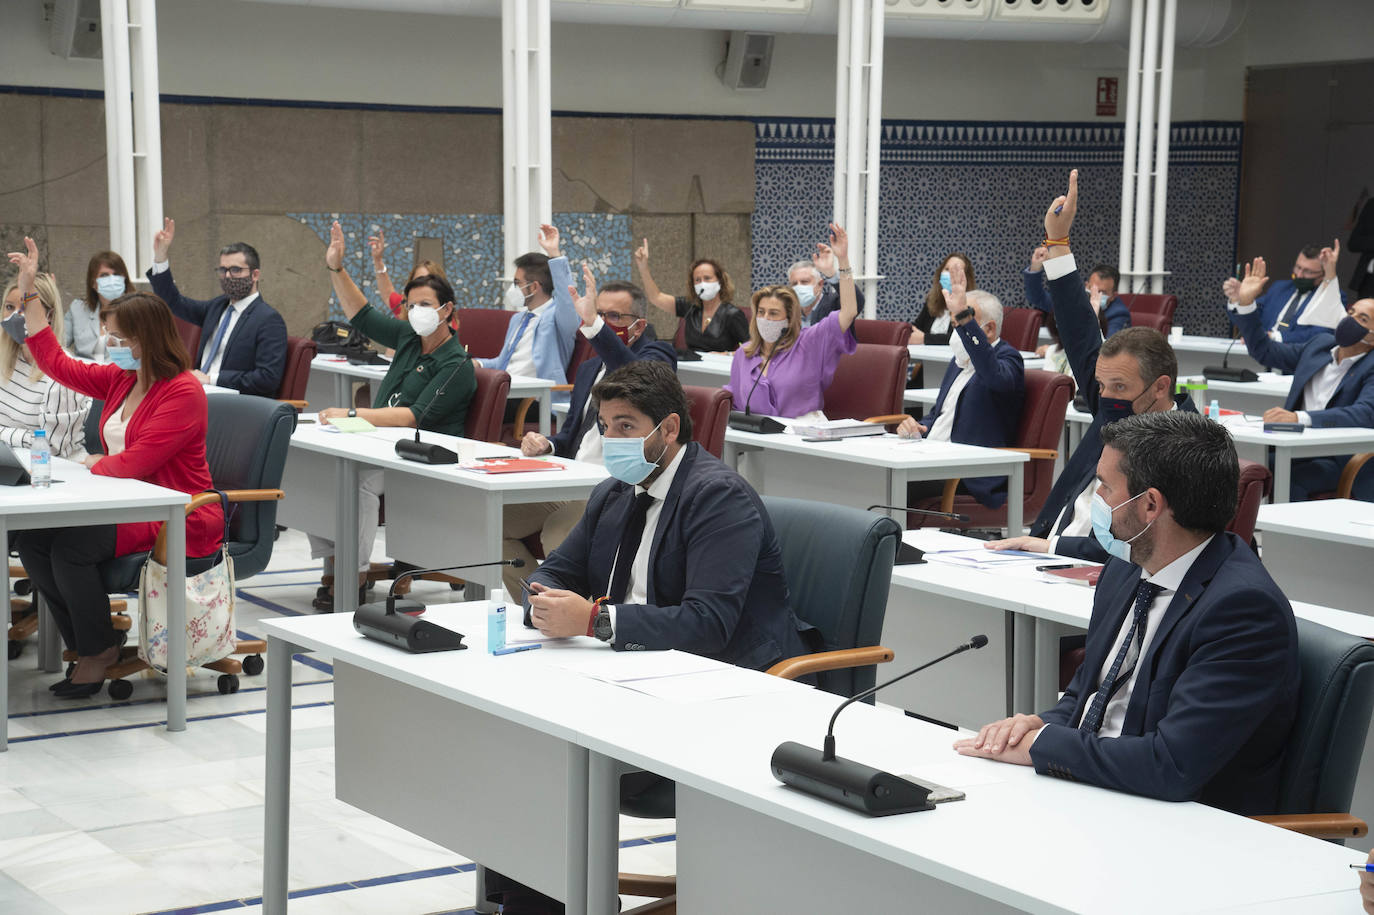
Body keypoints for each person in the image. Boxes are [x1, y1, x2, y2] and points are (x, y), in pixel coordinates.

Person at [486, 359, 814, 914]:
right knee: (515, 734)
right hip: (632, 674)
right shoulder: (615, 493)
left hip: (727, 691)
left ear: (669, 430)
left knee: (547, 750)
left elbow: (708, 625)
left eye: (626, 427)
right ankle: (532, 901)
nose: (611, 440)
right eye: (605, 427)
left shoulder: (718, 498)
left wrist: (593, 622)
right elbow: (556, 571)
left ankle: (557, 902)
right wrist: (543, 597)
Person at [955, 411, 1299, 815]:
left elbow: (1171, 765)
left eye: (1104, 486)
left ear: (1150, 504)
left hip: (1185, 827)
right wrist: (1036, 726)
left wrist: (1043, 746)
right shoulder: (1126, 568)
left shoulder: (1242, 611)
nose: (1094, 500)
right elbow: (1090, 695)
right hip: (1106, 795)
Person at [8, 236, 223, 699]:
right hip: (125, 503)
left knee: (72, 547)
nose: (111, 344)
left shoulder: (183, 392)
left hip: (177, 513)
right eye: (110, 335)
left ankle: (95, 653)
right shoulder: (123, 377)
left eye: (121, 338)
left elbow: (137, 463)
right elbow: (57, 362)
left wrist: (95, 463)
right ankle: (96, 643)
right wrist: (28, 292)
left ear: (148, 338)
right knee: (32, 539)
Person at [987, 169, 1195, 562]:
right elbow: (1080, 327)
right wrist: (1058, 242)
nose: (1107, 398)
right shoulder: (1116, 406)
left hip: (1098, 577)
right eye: (1102, 388)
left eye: (1120, 388)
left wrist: (1051, 547)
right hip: (1045, 553)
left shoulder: (1184, 444)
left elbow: (1146, 548)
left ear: (1161, 386)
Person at [308, 220, 477, 611]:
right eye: (412, 305)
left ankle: (356, 575)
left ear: (447, 310)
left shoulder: (456, 363)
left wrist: (352, 413)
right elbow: (361, 315)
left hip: (424, 456)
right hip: (383, 444)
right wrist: (337, 267)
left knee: (360, 481)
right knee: (321, 468)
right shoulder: (407, 337)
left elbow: (413, 417)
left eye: (426, 306)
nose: (417, 312)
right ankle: (334, 566)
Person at [501, 271, 675, 597]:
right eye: (600, 313)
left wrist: (594, 325)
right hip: (572, 480)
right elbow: (570, 435)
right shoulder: (588, 368)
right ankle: (533, 601)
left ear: (638, 325)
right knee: (494, 523)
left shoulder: (658, 357)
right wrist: (547, 443)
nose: (604, 321)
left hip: (621, 485)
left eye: (614, 316)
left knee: (560, 530)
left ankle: (575, 613)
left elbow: (635, 380)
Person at [1230, 256, 1374, 500]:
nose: (1350, 319)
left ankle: (1278, 538)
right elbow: (1265, 350)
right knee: (1241, 470)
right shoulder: (1319, 346)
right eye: (1351, 312)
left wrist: (1300, 418)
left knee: (1291, 477)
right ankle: (1243, 535)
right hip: (1294, 449)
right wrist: (1246, 304)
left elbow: (1364, 412)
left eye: (1362, 319)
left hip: (1339, 458)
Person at [898, 268, 1025, 509]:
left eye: (964, 320)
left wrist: (964, 319)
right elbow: (939, 415)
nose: (957, 330)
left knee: (887, 485)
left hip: (968, 473)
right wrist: (918, 426)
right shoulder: (958, 362)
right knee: (872, 477)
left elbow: (992, 375)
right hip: (930, 457)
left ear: (988, 330)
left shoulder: (1008, 360)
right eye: (955, 322)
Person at [722, 224, 859, 419]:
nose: (766, 319)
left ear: (788, 319)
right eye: (761, 312)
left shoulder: (810, 342)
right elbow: (734, 402)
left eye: (774, 313)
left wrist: (842, 261)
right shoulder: (744, 353)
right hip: (756, 439)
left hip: (802, 434)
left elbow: (849, 311)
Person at [146, 217, 288, 396]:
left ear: (255, 275)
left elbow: (267, 379)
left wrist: (211, 379)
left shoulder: (268, 319)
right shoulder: (217, 307)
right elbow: (173, 301)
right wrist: (161, 257)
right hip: (197, 392)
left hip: (233, 401)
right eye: (223, 270)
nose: (228, 276)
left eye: (236, 270)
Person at [486, 225, 579, 401]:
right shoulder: (518, 318)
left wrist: (555, 254)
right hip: (505, 392)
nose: (512, 288)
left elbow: (568, 299)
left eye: (516, 283)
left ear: (534, 287)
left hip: (534, 400)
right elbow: (503, 362)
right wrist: (476, 363)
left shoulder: (558, 318)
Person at [0, 277, 90, 460]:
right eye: (9, 307)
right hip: (11, 462)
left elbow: (50, 446)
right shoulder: (5, 358)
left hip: (57, 471)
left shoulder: (62, 372)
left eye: (26, 308)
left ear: (48, 316)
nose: (16, 315)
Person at [1223, 240, 1348, 345]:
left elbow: (1323, 333)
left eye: (1308, 272)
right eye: (1298, 267)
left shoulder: (1332, 297)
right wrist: (1240, 300)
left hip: (1295, 361)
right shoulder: (1279, 288)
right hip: (1260, 356)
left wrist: (1274, 337)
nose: (1299, 275)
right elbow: (1248, 319)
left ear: (1323, 274)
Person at [634, 240, 749, 352]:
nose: (702, 283)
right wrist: (643, 268)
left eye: (707, 278)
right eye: (697, 280)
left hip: (719, 368)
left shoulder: (732, 314)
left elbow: (751, 348)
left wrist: (727, 354)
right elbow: (656, 297)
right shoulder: (690, 307)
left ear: (720, 281)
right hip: (691, 367)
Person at [1024, 245, 1131, 344]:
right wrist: (1035, 268)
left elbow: (1108, 346)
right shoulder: (1075, 302)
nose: (1094, 294)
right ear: (1086, 285)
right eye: (1091, 288)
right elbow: (1037, 297)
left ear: (1113, 296)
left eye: (1101, 292)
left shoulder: (1118, 314)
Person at [65, 250, 134, 360]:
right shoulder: (77, 309)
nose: (112, 280)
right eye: (104, 275)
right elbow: (58, 344)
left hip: (120, 375)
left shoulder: (137, 311)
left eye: (116, 274)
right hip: (83, 374)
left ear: (124, 279)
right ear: (93, 283)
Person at [366, 228, 448, 319]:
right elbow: (387, 293)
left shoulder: (449, 320)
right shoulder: (405, 306)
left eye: (429, 282)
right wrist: (378, 261)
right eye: (418, 281)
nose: (422, 286)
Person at [789, 239, 864, 327]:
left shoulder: (833, 304)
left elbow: (856, 302)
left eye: (805, 282)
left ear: (820, 284)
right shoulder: (787, 310)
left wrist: (831, 274)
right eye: (794, 284)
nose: (799, 287)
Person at [908, 252, 975, 346]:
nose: (950, 274)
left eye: (956, 271)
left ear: (966, 278)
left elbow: (962, 338)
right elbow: (917, 328)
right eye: (947, 269)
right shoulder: (932, 300)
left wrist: (925, 338)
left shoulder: (973, 305)